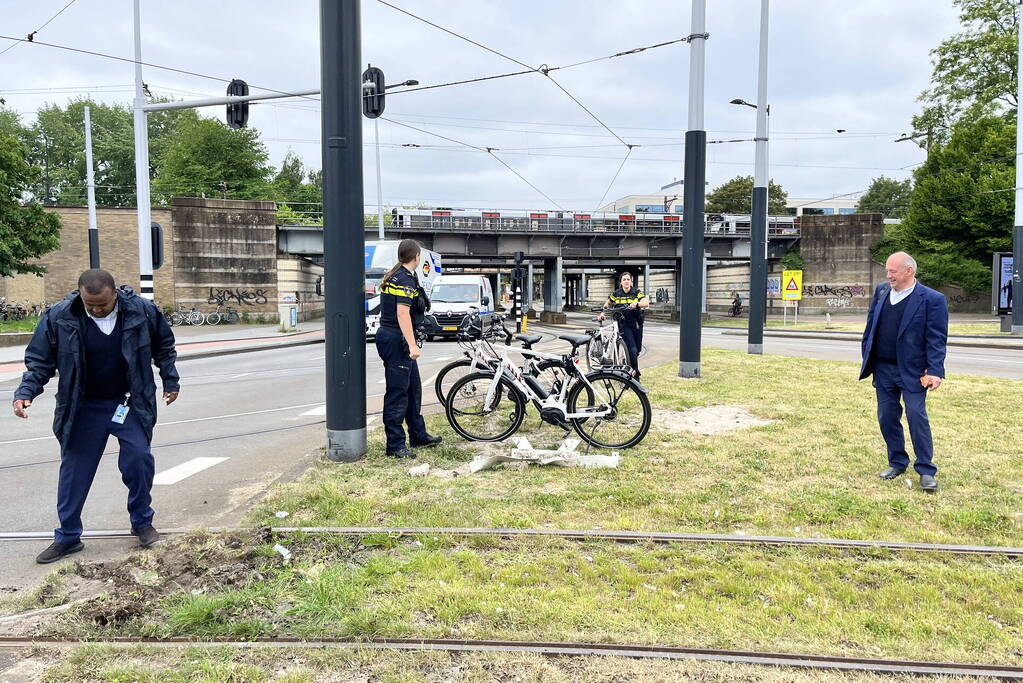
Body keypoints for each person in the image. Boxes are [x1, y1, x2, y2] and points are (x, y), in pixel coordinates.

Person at [13, 269, 180, 563]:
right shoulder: (60, 316)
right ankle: (68, 536)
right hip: (83, 406)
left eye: (102, 304)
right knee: (74, 471)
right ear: (80, 295)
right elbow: (39, 360)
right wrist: (26, 391)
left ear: (115, 293)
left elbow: (164, 347)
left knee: (139, 459)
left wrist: (170, 380)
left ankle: (142, 522)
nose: (96, 309)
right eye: (89, 304)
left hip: (128, 402)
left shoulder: (142, 312)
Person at [859, 252, 947, 493]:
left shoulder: (932, 299)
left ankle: (926, 470)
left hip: (913, 371)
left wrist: (935, 371)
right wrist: (867, 353)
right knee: (886, 417)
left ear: (909, 271)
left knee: (917, 417)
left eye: (893, 271)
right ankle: (897, 462)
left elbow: (937, 339)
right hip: (883, 369)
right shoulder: (882, 292)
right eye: (887, 271)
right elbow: (871, 326)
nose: (888, 275)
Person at [375, 239, 442, 459]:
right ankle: (395, 445)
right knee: (398, 392)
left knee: (413, 389)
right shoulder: (403, 279)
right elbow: (402, 313)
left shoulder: (400, 275)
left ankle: (418, 435)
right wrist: (412, 344)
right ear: (416, 256)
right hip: (396, 339)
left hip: (393, 337)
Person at [599, 271, 649, 379]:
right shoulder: (616, 294)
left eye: (628, 279)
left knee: (637, 350)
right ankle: (635, 377)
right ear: (621, 282)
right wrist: (603, 313)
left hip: (636, 323)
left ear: (631, 282)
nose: (626, 281)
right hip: (624, 324)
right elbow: (608, 303)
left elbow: (646, 303)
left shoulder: (636, 292)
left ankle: (629, 364)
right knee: (633, 350)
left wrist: (637, 304)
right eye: (624, 279)